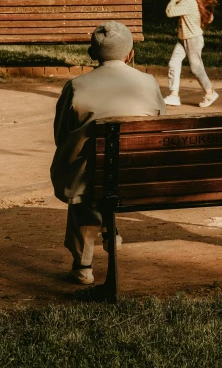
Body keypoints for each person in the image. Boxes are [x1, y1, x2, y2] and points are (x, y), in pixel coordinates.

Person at [51, 21, 166, 285]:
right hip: (138, 173)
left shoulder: (76, 86)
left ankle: (83, 265)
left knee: (86, 178)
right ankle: (109, 230)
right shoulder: (148, 82)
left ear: (92, 53)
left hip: (90, 177)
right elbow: (159, 125)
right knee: (104, 175)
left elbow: (61, 136)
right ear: (130, 54)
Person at [164, 0, 218, 108]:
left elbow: (170, 12)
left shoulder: (188, 1)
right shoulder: (195, 0)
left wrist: (173, 0)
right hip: (183, 39)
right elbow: (210, 18)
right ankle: (174, 95)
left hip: (192, 39)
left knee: (196, 68)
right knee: (173, 63)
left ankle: (210, 92)